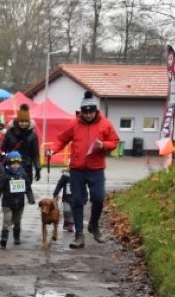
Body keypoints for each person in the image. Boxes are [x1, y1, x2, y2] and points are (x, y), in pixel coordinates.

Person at [45, 91, 120, 249]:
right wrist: (52, 150)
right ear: (81, 112)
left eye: (91, 112)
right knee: (77, 201)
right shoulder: (74, 123)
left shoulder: (105, 124)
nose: (88, 115)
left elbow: (114, 141)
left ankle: (93, 225)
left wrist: (104, 145)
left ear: (95, 111)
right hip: (77, 169)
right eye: (85, 113)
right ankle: (79, 235)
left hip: (96, 168)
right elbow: (61, 140)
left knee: (98, 198)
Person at [0, 151, 34, 248]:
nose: (15, 166)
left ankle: (16, 237)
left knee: (17, 221)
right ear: (9, 164)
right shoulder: (5, 175)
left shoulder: (23, 175)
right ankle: (4, 238)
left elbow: (28, 187)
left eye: (17, 164)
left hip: (19, 203)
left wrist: (30, 197)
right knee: (7, 219)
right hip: (7, 203)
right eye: (13, 164)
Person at [0, 103, 41, 184]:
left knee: (26, 190)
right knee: (9, 191)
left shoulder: (33, 134)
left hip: (26, 167)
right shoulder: (10, 132)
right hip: (11, 166)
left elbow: (35, 154)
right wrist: (0, 164)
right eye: (21, 121)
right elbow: (3, 149)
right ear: (18, 121)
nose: (23, 123)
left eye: (26, 121)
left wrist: (37, 168)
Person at [52, 163, 74, 232]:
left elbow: (83, 186)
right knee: (66, 210)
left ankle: (70, 224)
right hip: (66, 198)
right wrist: (56, 193)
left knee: (72, 212)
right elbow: (60, 184)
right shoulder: (65, 175)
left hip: (75, 198)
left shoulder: (78, 175)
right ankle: (67, 222)